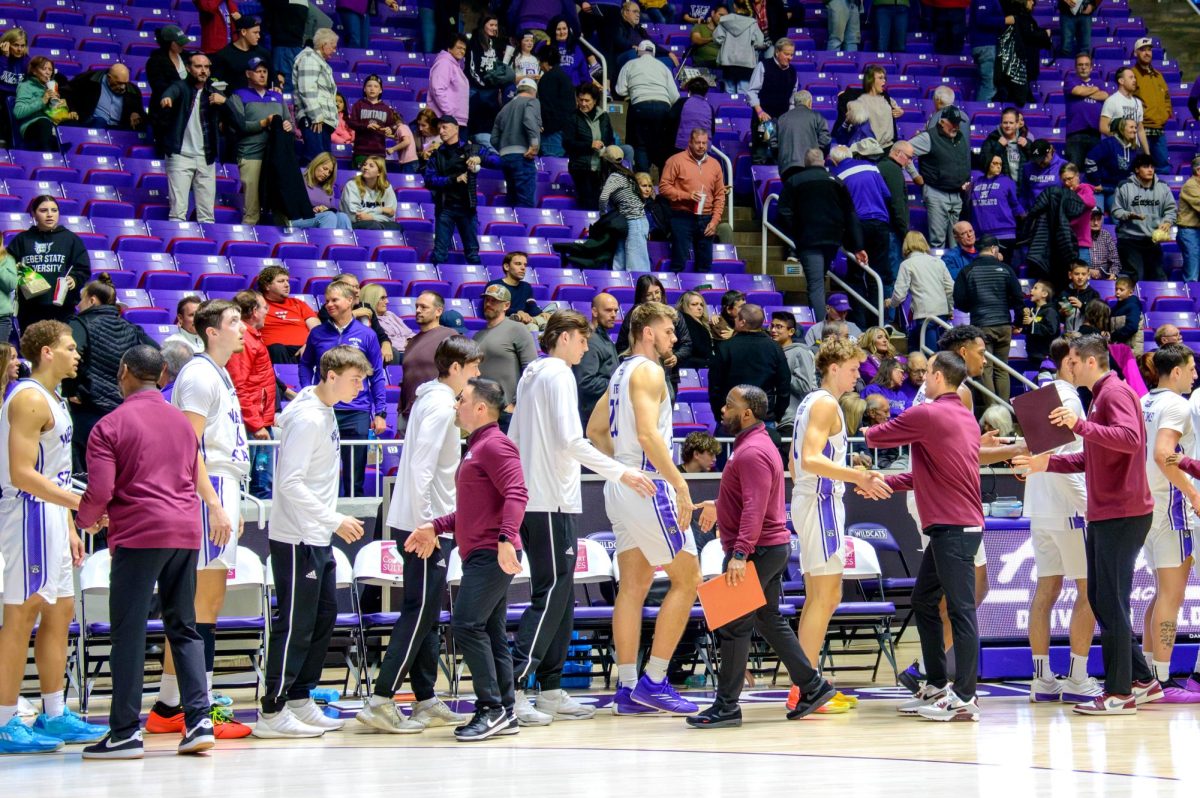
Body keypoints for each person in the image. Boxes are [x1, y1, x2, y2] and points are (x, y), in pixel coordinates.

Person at [509, 311, 656, 724]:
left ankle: (551, 689)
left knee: (559, 595)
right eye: (583, 340)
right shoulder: (557, 374)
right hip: (550, 499)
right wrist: (621, 471)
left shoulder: (532, 373)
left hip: (541, 497)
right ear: (566, 338)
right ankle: (517, 688)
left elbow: (521, 437)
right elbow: (572, 441)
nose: (587, 348)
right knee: (551, 594)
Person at [73, 346, 215, 759]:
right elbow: (190, 474)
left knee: (129, 632)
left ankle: (123, 733)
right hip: (186, 532)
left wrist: (85, 520)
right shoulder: (181, 422)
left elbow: (99, 491)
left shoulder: (110, 425)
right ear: (164, 374)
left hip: (139, 534)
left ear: (123, 372)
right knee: (184, 627)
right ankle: (199, 721)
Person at [1015, 335, 1159, 714]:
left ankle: (1120, 692)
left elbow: (1129, 440)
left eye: (1074, 361)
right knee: (1101, 598)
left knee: (1110, 602)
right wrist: (1044, 464)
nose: (1069, 366)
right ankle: (1143, 680)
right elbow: (1092, 458)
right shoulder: (1102, 396)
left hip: (1123, 512)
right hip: (1108, 511)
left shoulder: (1113, 393)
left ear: (1090, 361)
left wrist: (1079, 425)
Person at [688, 384, 839, 728]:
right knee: (767, 618)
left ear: (747, 414)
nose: (722, 410)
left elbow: (756, 509)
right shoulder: (754, 446)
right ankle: (813, 686)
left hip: (757, 550)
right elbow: (754, 499)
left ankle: (727, 706)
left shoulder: (752, 452)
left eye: (729, 405)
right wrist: (720, 505)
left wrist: (739, 553)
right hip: (769, 547)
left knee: (733, 626)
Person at [358, 337, 480, 735]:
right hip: (424, 525)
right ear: (457, 367)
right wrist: (428, 525)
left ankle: (426, 699)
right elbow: (423, 468)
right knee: (419, 612)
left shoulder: (429, 398)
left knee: (426, 613)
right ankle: (380, 699)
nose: (478, 375)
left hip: (417, 521)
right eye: (475, 368)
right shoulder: (443, 408)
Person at [585, 302, 702, 715]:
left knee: (632, 587)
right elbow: (650, 434)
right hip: (649, 485)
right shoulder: (650, 371)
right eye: (669, 330)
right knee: (689, 580)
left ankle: (629, 686)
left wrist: (620, 467)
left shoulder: (619, 372)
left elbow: (595, 430)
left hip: (622, 485)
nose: (674, 338)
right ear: (648, 332)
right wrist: (680, 483)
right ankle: (654, 679)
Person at [0, 321, 107, 755]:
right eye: (69, 347)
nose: (76, 353)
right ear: (46, 352)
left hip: (49, 515)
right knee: (21, 616)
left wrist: (67, 523)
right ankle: (6, 719)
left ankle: (54, 710)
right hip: (26, 514)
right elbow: (23, 473)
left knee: (60, 613)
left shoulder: (53, 398)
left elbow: (54, 471)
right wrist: (78, 504)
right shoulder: (27, 398)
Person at [144, 301, 249, 739]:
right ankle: (196, 707)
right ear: (210, 331)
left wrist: (232, 500)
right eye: (234, 322)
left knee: (206, 604)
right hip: (208, 491)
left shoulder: (219, 373)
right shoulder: (200, 375)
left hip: (223, 487)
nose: (243, 328)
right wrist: (214, 502)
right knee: (199, 607)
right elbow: (188, 447)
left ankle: (171, 704)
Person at [254, 346, 370, 738]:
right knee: (295, 623)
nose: (360, 386)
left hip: (316, 535)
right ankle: (273, 709)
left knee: (322, 618)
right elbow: (288, 483)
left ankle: (300, 697)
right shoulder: (307, 418)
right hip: (296, 537)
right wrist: (334, 519)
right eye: (355, 379)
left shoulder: (323, 410)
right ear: (331, 375)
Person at [407, 378, 529, 741]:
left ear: (480, 408)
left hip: (493, 552)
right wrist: (436, 525)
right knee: (489, 630)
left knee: (466, 624)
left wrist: (507, 537)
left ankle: (491, 708)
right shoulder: (476, 448)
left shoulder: (494, 445)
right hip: (483, 549)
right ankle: (504, 710)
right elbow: (473, 511)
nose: (455, 404)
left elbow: (517, 492)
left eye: (461, 399)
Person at [865, 351, 984, 721]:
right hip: (955, 525)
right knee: (923, 601)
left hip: (954, 527)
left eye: (926, 372)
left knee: (961, 611)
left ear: (935, 376)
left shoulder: (928, 413)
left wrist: (851, 413)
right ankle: (935, 684)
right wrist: (886, 481)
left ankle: (965, 696)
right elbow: (928, 476)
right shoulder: (965, 417)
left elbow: (873, 436)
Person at [790, 338, 891, 713]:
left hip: (815, 499)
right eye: (852, 369)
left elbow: (793, 462)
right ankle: (805, 688)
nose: (857, 377)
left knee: (822, 596)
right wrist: (855, 476)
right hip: (819, 501)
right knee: (825, 596)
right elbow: (809, 458)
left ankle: (810, 682)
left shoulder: (809, 403)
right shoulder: (825, 403)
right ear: (833, 368)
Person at [1021, 335, 1102, 700]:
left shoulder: (1040, 392)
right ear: (1071, 361)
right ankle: (1078, 677)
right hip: (1068, 507)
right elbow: (1065, 463)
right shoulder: (1067, 398)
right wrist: (1090, 506)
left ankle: (1042, 679)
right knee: (1089, 591)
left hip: (1039, 505)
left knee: (1046, 590)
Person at [1128, 345, 1200, 704]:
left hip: (1144, 506)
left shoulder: (1143, 402)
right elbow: (1162, 454)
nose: (1195, 375)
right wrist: (1192, 493)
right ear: (1176, 372)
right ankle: (1163, 680)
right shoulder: (1177, 404)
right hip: (1170, 508)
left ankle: (1146, 677)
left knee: (1160, 594)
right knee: (1171, 595)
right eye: (1191, 369)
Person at [298, 283, 387, 496]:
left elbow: (376, 374)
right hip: (324, 409)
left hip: (357, 411)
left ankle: (354, 522)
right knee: (320, 468)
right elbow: (304, 364)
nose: (329, 304)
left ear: (350, 301)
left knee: (354, 474)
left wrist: (381, 412)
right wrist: (309, 391)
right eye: (327, 300)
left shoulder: (367, 335)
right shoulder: (317, 333)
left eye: (334, 300)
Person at [65, 275, 159, 470]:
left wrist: (71, 389)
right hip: (123, 412)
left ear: (92, 300)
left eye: (82, 299)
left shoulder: (80, 323)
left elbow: (71, 353)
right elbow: (156, 354)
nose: (78, 305)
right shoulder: (131, 328)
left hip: (88, 411)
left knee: (85, 479)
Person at [777, 148, 865, 321]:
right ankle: (825, 324)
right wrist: (857, 246)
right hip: (833, 239)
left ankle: (820, 328)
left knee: (816, 284)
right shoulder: (836, 181)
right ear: (824, 161)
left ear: (805, 162)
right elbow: (850, 214)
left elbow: (783, 211)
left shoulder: (794, 180)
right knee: (820, 279)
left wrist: (796, 230)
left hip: (809, 240)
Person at [953, 234, 1023, 402]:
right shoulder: (1006, 269)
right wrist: (1018, 322)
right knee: (1002, 369)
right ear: (994, 249)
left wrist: (974, 307)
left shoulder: (967, 270)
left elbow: (959, 301)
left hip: (981, 326)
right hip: (1004, 324)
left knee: (986, 368)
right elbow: (1018, 299)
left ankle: (992, 411)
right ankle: (1004, 411)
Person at [830, 143, 894, 324]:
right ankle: (877, 322)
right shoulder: (871, 167)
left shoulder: (836, 175)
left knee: (856, 276)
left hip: (857, 226)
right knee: (877, 275)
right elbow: (887, 195)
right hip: (880, 222)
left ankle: (860, 322)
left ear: (834, 160)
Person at [159, 52, 226, 224]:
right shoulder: (181, 87)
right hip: (180, 155)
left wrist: (224, 102)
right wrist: (166, 98)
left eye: (206, 67)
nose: (203, 70)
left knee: (207, 215)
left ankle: (207, 249)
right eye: (198, 66)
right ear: (188, 69)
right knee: (177, 212)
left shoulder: (214, 92)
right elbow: (171, 91)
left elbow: (238, 118)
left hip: (206, 157)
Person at [8, 195, 90, 331]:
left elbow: (83, 268)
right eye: (43, 210)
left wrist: (74, 278)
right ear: (33, 214)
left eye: (54, 210)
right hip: (30, 309)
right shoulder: (22, 239)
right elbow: (7, 267)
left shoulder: (70, 239)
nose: (50, 215)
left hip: (62, 309)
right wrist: (19, 273)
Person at [425, 115, 497, 266]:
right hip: (445, 208)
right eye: (439, 129)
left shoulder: (472, 149)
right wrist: (454, 179)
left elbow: (499, 162)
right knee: (439, 253)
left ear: (456, 128)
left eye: (445, 127)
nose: (441, 131)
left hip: (467, 208)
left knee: (472, 253)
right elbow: (429, 180)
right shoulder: (437, 154)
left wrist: (480, 159)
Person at [228, 58, 291, 226]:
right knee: (252, 201)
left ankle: (283, 234)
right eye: (257, 71)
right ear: (248, 74)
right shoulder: (238, 95)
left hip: (276, 154)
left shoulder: (277, 96)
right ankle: (248, 234)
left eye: (264, 71)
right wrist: (262, 123)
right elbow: (237, 126)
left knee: (280, 196)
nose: (262, 74)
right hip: (251, 153)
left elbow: (288, 121)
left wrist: (287, 124)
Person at [225, 290, 276, 497]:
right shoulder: (244, 339)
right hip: (253, 424)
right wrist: (256, 424)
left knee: (259, 485)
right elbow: (239, 385)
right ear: (254, 311)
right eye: (264, 307)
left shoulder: (252, 337)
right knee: (256, 487)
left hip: (259, 420)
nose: (267, 312)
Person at [707, 303, 789, 427]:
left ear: (742, 322)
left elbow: (715, 386)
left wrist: (720, 415)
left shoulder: (725, 347)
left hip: (732, 418)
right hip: (764, 418)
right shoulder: (775, 348)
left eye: (736, 318)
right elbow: (784, 385)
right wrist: (776, 415)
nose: (734, 320)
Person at [659, 129, 726, 274]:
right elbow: (663, 188)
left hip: (706, 218)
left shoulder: (715, 165)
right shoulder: (675, 160)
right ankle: (677, 295)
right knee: (679, 262)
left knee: (705, 265)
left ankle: (701, 296)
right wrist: (687, 195)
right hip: (681, 216)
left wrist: (715, 221)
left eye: (704, 143)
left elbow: (720, 195)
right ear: (690, 142)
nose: (701, 146)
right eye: (698, 143)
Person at [615, 276, 693, 399]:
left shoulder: (672, 314)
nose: (655, 297)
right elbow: (621, 346)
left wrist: (676, 356)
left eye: (657, 292)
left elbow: (686, 343)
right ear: (641, 297)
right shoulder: (634, 316)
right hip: (641, 374)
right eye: (649, 294)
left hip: (669, 374)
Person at [473, 284, 538, 428]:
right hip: (482, 411)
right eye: (487, 300)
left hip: (507, 412)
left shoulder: (517, 329)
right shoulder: (478, 336)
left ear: (506, 305)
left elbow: (532, 371)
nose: (488, 304)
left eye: (494, 301)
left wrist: (516, 404)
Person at [908, 106, 972, 248]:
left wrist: (964, 179)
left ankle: (955, 270)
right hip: (936, 193)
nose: (956, 126)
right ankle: (938, 269)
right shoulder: (928, 137)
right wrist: (915, 175)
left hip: (956, 194)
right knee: (938, 241)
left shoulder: (960, 138)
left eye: (958, 122)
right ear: (942, 122)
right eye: (952, 122)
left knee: (958, 242)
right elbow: (902, 150)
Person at [615, 41, 679, 173]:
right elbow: (675, 96)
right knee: (661, 146)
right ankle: (663, 184)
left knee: (640, 146)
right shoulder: (663, 67)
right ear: (654, 53)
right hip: (663, 108)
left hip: (640, 106)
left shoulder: (630, 64)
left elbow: (620, 90)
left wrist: (633, 92)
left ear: (638, 52)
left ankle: (642, 183)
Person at [1112, 154, 1177, 281]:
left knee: (1159, 278)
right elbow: (1116, 210)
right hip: (1129, 240)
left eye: (1152, 167)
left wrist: (1168, 221)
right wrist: (1129, 215)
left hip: (1152, 241)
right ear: (1137, 169)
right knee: (1137, 276)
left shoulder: (1163, 187)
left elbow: (1171, 209)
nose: (1150, 170)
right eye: (1146, 166)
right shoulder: (1124, 186)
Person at [889, 231, 954, 355]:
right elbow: (950, 288)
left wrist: (891, 303)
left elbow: (899, 295)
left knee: (930, 355)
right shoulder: (939, 262)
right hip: (942, 314)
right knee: (925, 346)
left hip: (925, 315)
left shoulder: (907, 264)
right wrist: (950, 309)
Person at [398, 292, 457, 426]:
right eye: (417, 306)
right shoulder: (412, 341)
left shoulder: (449, 336)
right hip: (409, 413)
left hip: (436, 411)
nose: (418, 310)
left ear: (438, 311)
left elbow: (461, 372)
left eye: (424, 307)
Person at [564, 83, 618, 211]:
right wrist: (590, 145)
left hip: (601, 168)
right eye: (580, 100)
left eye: (587, 100)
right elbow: (567, 143)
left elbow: (609, 139)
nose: (583, 104)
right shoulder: (572, 118)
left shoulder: (604, 117)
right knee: (588, 202)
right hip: (581, 167)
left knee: (600, 203)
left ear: (594, 101)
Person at [491, 78, 542, 209]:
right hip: (523, 156)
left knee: (512, 199)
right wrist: (534, 145)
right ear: (534, 92)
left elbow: (494, 139)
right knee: (525, 201)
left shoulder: (505, 108)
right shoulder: (532, 101)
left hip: (505, 157)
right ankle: (524, 226)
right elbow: (529, 120)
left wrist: (503, 149)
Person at [746, 38, 798, 164]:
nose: (790, 58)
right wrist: (760, 112)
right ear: (777, 52)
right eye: (786, 54)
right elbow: (752, 91)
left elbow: (793, 97)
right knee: (760, 154)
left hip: (782, 120)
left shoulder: (793, 72)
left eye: (792, 54)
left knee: (780, 157)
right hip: (765, 120)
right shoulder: (764, 66)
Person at [599, 146, 650, 272]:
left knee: (636, 266)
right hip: (628, 222)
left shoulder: (615, 176)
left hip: (634, 221)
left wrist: (603, 215)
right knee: (620, 261)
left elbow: (603, 197)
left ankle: (638, 290)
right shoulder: (626, 173)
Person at [573, 292, 620, 427]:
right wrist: (617, 383)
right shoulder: (591, 341)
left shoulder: (604, 338)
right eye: (608, 310)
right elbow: (585, 382)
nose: (613, 315)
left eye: (615, 311)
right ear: (594, 311)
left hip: (603, 414)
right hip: (592, 418)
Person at [293, 29, 339, 164]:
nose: (335, 51)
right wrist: (316, 116)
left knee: (323, 162)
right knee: (315, 160)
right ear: (324, 44)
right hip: (315, 119)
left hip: (321, 120)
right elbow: (307, 89)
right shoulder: (309, 59)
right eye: (333, 47)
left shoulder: (318, 61)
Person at [257, 266, 319, 363]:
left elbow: (317, 329)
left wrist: (309, 345)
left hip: (303, 350)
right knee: (277, 348)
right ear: (267, 286)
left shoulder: (298, 303)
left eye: (287, 281)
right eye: (281, 281)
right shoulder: (258, 305)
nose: (287, 285)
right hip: (274, 353)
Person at [13, 56, 76, 151]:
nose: (47, 72)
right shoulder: (25, 86)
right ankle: (47, 157)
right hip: (32, 125)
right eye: (43, 69)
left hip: (51, 124)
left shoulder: (51, 87)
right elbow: (18, 112)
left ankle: (65, 158)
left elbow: (53, 114)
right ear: (34, 71)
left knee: (72, 124)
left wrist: (66, 114)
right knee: (44, 122)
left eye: (50, 69)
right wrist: (42, 100)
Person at [769, 310, 815, 437]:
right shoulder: (772, 352)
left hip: (792, 420)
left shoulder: (800, 352)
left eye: (779, 327)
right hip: (774, 419)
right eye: (772, 326)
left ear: (791, 332)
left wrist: (782, 375)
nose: (773, 330)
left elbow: (805, 386)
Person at [971, 154, 1025, 262]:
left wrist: (1023, 216)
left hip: (1004, 233)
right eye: (995, 163)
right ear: (987, 164)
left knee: (1003, 268)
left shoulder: (1007, 181)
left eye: (1000, 164)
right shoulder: (976, 182)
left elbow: (1015, 204)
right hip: (980, 234)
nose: (998, 166)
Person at [1131, 38, 1173, 174]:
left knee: (1163, 168)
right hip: (1141, 130)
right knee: (1141, 169)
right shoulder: (1132, 75)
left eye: (1149, 50)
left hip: (1159, 130)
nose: (1147, 53)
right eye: (1142, 50)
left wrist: (1166, 114)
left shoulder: (1158, 75)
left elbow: (1166, 97)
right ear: (1135, 53)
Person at [64, 64, 146, 131]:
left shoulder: (133, 90)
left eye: (125, 83)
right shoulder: (90, 79)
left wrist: (135, 113)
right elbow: (67, 91)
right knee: (100, 121)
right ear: (109, 77)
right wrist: (72, 109)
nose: (123, 87)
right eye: (119, 83)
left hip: (119, 129)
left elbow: (140, 112)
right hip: (93, 124)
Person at [1063, 53, 1108, 174]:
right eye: (1080, 65)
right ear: (1076, 67)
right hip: (1075, 134)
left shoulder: (1099, 82)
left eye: (1086, 65)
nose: (1083, 67)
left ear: (1091, 67)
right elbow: (1077, 91)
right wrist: (1093, 90)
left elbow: (1104, 95)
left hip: (1095, 133)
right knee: (1073, 171)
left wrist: (1084, 92)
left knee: (1094, 170)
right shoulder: (1070, 80)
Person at [347, 74, 403, 168]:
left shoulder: (386, 108)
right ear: (364, 89)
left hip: (379, 152)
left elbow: (393, 125)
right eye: (369, 86)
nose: (372, 89)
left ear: (380, 90)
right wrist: (366, 126)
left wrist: (390, 129)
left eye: (376, 86)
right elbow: (351, 123)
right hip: (361, 151)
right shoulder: (358, 105)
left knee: (378, 180)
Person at [1086, 116, 1140, 213]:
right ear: (1122, 128)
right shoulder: (1108, 144)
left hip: (1115, 190)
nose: (1135, 130)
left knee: (1121, 217)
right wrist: (1096, 182)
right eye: (1131, 127)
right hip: (1098, 189)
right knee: (1095, 215)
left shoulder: (1134, 149)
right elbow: (1090, 160)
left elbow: (1132, 172)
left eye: (1136, 128)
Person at [713, 0, 764, 94]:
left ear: (734, 6)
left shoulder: (725, 21)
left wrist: (727, 43)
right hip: (746, 63)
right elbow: (760, 42)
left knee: (729, 93)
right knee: (744, 93)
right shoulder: (752, 23)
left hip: (728, 62)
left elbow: (717, 39)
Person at [776, 90, 832, 175]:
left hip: (786, 168)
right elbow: (826, 140)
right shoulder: (817, 117)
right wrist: (816, 156)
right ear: (809, 102)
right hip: (810, 166)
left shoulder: (781, 118)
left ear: (795, 103)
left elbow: (773, 144)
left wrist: (781, 158)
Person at [294, 151, 354, 230]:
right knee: (328, 216)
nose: (326, 174)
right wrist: (312, 210)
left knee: (343, 217)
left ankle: (344, 242)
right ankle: (325, 241)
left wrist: (325, 209)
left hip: (322, 218)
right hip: (299, 219)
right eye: (325, 169)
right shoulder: (298, 180)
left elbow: (332, 210)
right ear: (316, 164)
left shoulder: (328, 188)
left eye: (329, 172)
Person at [535, 44, 574, 159]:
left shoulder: (547, 79)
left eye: (540, 62)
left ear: (545, 62)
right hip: (567, 131)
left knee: (552, 169)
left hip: (552, 135)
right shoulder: (565, 77)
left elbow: (546, 107)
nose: (540, 65)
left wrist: (543, 126)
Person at [340, 155, 401, 230]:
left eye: (371, 166)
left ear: (379, 172)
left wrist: (372, 217)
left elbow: (391, 215)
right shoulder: (352, 185)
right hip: (354, 223)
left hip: (377, 222)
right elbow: (356, 214)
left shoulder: (386, 187)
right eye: (365, 164)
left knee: (396, 227)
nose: (365, 168)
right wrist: (381, 210)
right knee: (373, 225)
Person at [212, 16, 271, 93]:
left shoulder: (263, 53)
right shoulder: (224, 55)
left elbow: (272, 78)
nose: (258, 36)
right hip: (233, 101)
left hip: (259, 102)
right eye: (255, 33)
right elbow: (215, 82)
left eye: (259, 33)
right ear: (243, 32)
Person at [487, 252, 546, 328]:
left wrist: (542, 313)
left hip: (524, 320)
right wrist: (517, 312)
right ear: (506, 267)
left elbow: (532, 307)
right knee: (532, 326)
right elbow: (495, 308)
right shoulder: (495, 285)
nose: (523, 268)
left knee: (553, 321)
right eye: (518, 264)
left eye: (525, 265)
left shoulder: (526, 286)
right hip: (504, 321)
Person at [1099, 67, 1149, 155]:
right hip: (1117, 150)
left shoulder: (1138, 102)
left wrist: (1147, 153)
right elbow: (1103, 127)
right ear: (1121, 81)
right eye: (1131, 77)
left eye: (1134, 77)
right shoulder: (1112, 100)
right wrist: (1118, 140)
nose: (1134, 80)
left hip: (1134, 150)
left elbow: (1140, 129)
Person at [362, 283, 415, 360]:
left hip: (410, 350)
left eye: (386, 298)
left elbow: (409, 333)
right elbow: (383, 342)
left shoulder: (390, 314)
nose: (387, 301)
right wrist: (405, 344)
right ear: (372, 299)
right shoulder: (368, 320)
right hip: (398, 354)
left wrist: (411, 340)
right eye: (382, 298)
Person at [428, 34, 469, 127]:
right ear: (449, 48)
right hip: (445, 120)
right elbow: (437, 89)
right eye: (459, 48)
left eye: (464, 49)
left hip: (454, 120)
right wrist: (450, 114)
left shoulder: (456, 66)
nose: (462, 51)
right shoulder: (444, 63)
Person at [672, 78, 716, 154]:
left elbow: (670, 121)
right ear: (705, 93)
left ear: (689, 90)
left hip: (682, 147)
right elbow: (712, 130)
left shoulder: (682, 102)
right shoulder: (710, 107)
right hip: (703, 149)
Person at [0, 28, 28, 144]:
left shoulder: (27, 62)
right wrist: (4, 57)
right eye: (16, 45)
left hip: (17, 98)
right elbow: (1, 75)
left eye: (22, 45)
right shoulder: (1, 59)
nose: (19, 49)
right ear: (6, 44)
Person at [676, 291, 717, 370]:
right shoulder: (685, 319)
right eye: (694, 304)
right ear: (684, 306)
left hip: (701, 365)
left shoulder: (703, 324)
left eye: (701, 305)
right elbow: (698, 348)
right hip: (692, 366)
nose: (699, 308)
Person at [1023, 280, 1059, 366]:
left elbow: (1051, 331)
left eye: (1035, 288)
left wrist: (1032, 323)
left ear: (1044, 294)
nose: (1031, 290)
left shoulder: (1050, 311)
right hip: (1033, 354)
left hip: (1046, 356)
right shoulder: (1033, 310)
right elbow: (1030, 330)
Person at [1021, 140, 1067, 208]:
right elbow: (1024, 193)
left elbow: (1071, 192)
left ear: (1050, 151)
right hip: (1034, 212)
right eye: (1037, 160)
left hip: (1056, 212)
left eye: (1042, 159)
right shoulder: (1027, 167)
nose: (1039, 163)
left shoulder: (1064, 166)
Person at [1109, 275, 1143, 351]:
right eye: (1116, 289)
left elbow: (1132, 327)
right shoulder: (1115, 308)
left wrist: (1113, 336)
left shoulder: (1133, 306)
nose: (1117, 292)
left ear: (1130, 292)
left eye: (1121, 290)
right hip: (1119, 348)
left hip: (1131, 350)